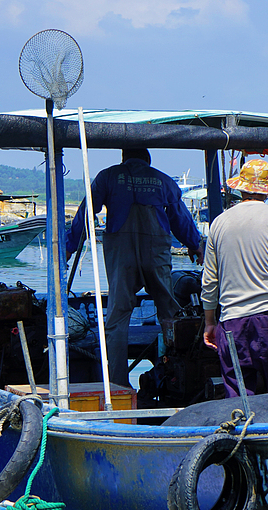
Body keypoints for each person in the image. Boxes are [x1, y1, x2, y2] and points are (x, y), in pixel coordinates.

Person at [66, 148, 203, 388]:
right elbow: (180, 219)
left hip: (121, 254)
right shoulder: (163, 180)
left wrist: (69, 246)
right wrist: (195, 245)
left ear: (123, 158)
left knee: (118, 317)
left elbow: (85, 213)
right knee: (169, 313)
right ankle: (177, 376)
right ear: (148, 161)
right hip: (156, 252)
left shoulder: (108, 176)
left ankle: (118, 385)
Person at [201, 158, 268, 397]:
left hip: (232, 322)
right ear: (267, 190)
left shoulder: (219, 223)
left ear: (241, 188)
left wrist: (209, 322)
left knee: (237, 397)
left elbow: (209, 281)